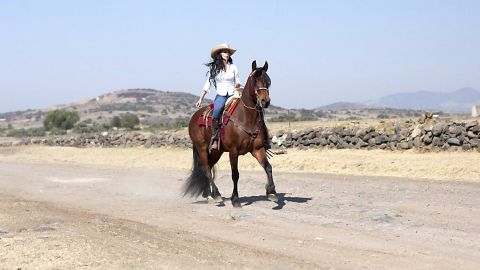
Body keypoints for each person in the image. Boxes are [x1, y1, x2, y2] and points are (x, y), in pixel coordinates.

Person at [196, 43, 241, 151]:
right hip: (221, 95)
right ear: (219, 54)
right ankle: (215, 138)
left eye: (228, 52)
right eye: (225, 52)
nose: (227, 54)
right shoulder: (214, 68)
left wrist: (238, 85)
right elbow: (207, 84)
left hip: (233, 94)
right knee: (216, 112)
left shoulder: (233, 67)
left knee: (250, 107)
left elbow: (238, 81)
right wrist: (200, 98)